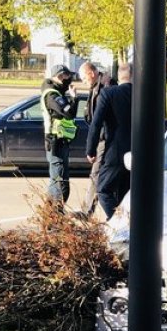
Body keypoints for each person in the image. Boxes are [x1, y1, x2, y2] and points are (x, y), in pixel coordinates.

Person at [86, 62, 132, 220]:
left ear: (119, 76)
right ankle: (126, 222)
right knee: (125, 191)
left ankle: (119, 222)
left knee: (103, 189)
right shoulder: (144, 95)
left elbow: (96, 123)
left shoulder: (109, 94)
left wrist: (90, 149)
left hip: (116, 152)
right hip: (138, 152)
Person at [79, 61, 116, 215]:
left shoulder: (106, 86)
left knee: (97, 173)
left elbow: (101, 118)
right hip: (102, 137)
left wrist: (92, 147)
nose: (83, 82)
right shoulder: (95, 87)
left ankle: (87, 211)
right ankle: (88, 209)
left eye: (84, 78)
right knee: (100, 175)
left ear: (91, 73)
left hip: (106, 138)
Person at [40, 64, 79, 206]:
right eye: (68, 76)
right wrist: (74, 98)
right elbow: (69, 113)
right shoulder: (52, 95)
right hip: (56, 141)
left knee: (59, 179)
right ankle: (54, 216)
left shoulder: (56, 92)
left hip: (60, 140)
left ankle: (53, 216)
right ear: (60, 76)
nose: (70, 79)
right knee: (58, 180)